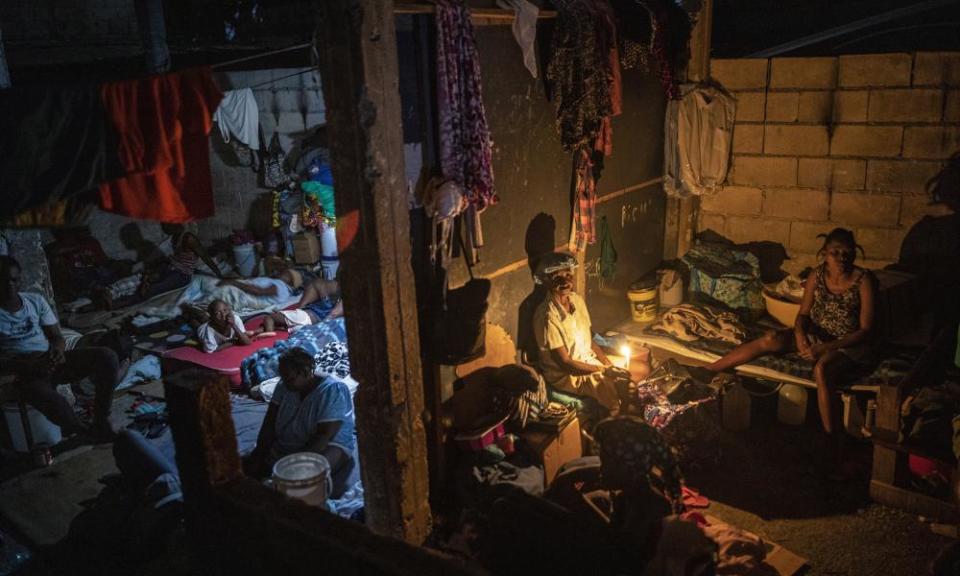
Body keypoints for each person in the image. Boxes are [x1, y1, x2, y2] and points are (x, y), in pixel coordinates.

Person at [704, 228, 877, 465]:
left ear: (854, 254)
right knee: (771, 338)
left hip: (847, 344)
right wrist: (799, 334)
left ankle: (833, 444)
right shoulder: (817, 276)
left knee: (822, 370)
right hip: (816, 335)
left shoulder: (863, 280)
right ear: (824, 254)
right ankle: (710, 369)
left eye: (847, 252)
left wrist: (825, 348)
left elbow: (865, 331)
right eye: (835, 252)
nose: (841, 258)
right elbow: (803, 314)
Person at [0, 256, 119, 439]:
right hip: (24, 370)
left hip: (49, 360)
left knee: (107, 356)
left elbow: (56, 337)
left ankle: (101, 419)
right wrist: (28, 366)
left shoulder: (34, 301)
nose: (10, 286)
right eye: (3, 281)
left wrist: (57, 351)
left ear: (20, 279)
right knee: (54, 402)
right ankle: (84, 430)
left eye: (14, 280)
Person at [532, 252, 650, 413]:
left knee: (641, 369)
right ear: (545, 281)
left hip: (589, 362)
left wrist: (606, 362)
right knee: (622, 386)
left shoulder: (577, 301)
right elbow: (565, 363)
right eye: (556, 277)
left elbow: (590, 340)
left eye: (568, 274)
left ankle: (631, 408)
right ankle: (618, 417)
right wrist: (604, 371)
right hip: (570, 375)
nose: (565, 281)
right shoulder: (546, 316)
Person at [245, 348, 356, 498]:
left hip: (329, 443)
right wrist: (259, 453)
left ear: (305, 372)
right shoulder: (284, 386)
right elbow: (269, 423)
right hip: (297, 437)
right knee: (253, 464)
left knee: (305, 477)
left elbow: (324, 436)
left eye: (290, 379)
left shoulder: (333, 390)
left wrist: (294, 465)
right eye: (283, 378)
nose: (285, 383)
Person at [100, 223, 223, 309]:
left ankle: (117, 303)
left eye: (164, 225)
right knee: (142, 276)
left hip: (181, 275)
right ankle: (111, 291)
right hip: (169, 266)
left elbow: (205, 257)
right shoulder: (175, 237)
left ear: (174, 224)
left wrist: (219, 274)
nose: (163, 228)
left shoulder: (189, 238)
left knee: (153, 289)